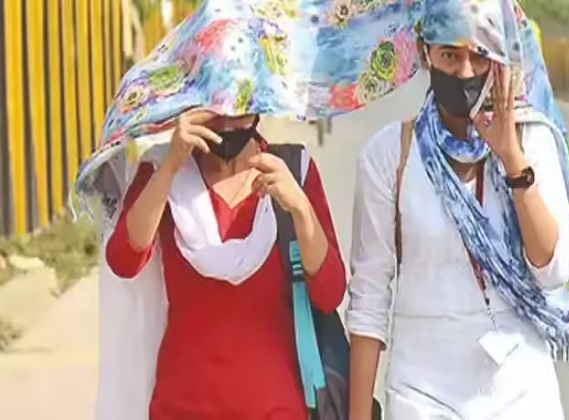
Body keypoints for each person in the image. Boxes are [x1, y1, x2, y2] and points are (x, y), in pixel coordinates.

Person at [72, 2, 418, 419]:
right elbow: (124, 261)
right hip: (180, 409)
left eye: (242, 108)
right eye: (217, 108)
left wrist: (300, 209)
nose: (230, 122)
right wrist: (171, 166)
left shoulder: (292, 169)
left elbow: (329, 292)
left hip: (278, 409)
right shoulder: (162, 172)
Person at [346, 0, 569, 419]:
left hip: (522, 393)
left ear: (499, 59)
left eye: (479, 56)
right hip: (421, 394)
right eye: (450, 55)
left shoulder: (532, 141)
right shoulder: (389, 155)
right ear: (426, 53)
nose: (465, 72)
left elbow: (554, 270)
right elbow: (368, 298)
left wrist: (513, 161)